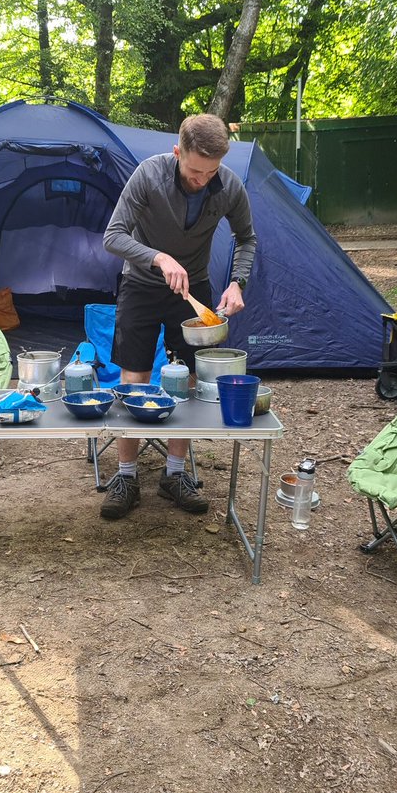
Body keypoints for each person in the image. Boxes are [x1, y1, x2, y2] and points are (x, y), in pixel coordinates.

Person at [101, 113, 256, 520]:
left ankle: (175, 474)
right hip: (140, 284)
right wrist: (158, 257)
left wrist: (238, 281)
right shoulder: (148, 175)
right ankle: (126, 475)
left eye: (211, 171)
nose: (202, 179)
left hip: (193, 291)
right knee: (133, 375)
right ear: (177, 153)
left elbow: (246, 237)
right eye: (194, 170)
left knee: (186, 379)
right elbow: (113, 236)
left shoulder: (229, 186)